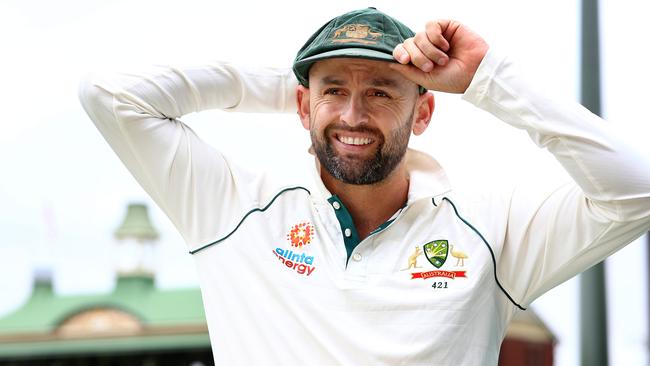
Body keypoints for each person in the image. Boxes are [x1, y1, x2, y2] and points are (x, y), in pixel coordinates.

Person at [79, 7, 650, 365]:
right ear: (300, 105)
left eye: (381, 91)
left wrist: (488, 80)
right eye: (334, 91)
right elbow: (108, 95)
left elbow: (637, 193)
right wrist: (300, 79)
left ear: (422, 113)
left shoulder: (491, 232)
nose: (354, 115)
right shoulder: (232, 209)